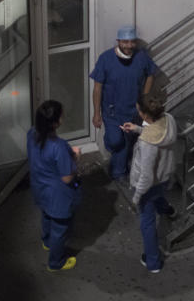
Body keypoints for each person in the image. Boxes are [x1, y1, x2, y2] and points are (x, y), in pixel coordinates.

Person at [90, 26, 159, 181]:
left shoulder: (141, 57)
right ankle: (118, 163)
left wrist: (145, 97)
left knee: (127, 142)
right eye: (125, 42)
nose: (129, 46)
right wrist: (96, 114)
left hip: (133, 110)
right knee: (116, 141)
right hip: (112, 111)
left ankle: (118, 172)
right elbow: (97, 88)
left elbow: (151, 74)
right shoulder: (106, 59)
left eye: (132, 42)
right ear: (118, 41)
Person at [122, 92, 178, 274]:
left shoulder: (147, 143)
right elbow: (157, 133)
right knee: (158, 195)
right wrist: (138, 129)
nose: (138, 113)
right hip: (164, 175)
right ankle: (169, 210)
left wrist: (136, 197)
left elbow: (146, 176)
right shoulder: (169, 119)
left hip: (149, 183)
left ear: (145, 115)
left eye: (139, 110)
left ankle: (153, 262)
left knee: (147, 221)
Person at [26, 100, 82, 272]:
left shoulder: (32, 133)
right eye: (62, 115)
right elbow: (66, 178)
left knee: (47, 216)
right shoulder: (58, 146)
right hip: (58, 196)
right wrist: (75, 158)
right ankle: (56, 262)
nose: (63, 117)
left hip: (40, 188)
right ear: (55, 122)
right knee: (60, 228)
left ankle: (47, 241)